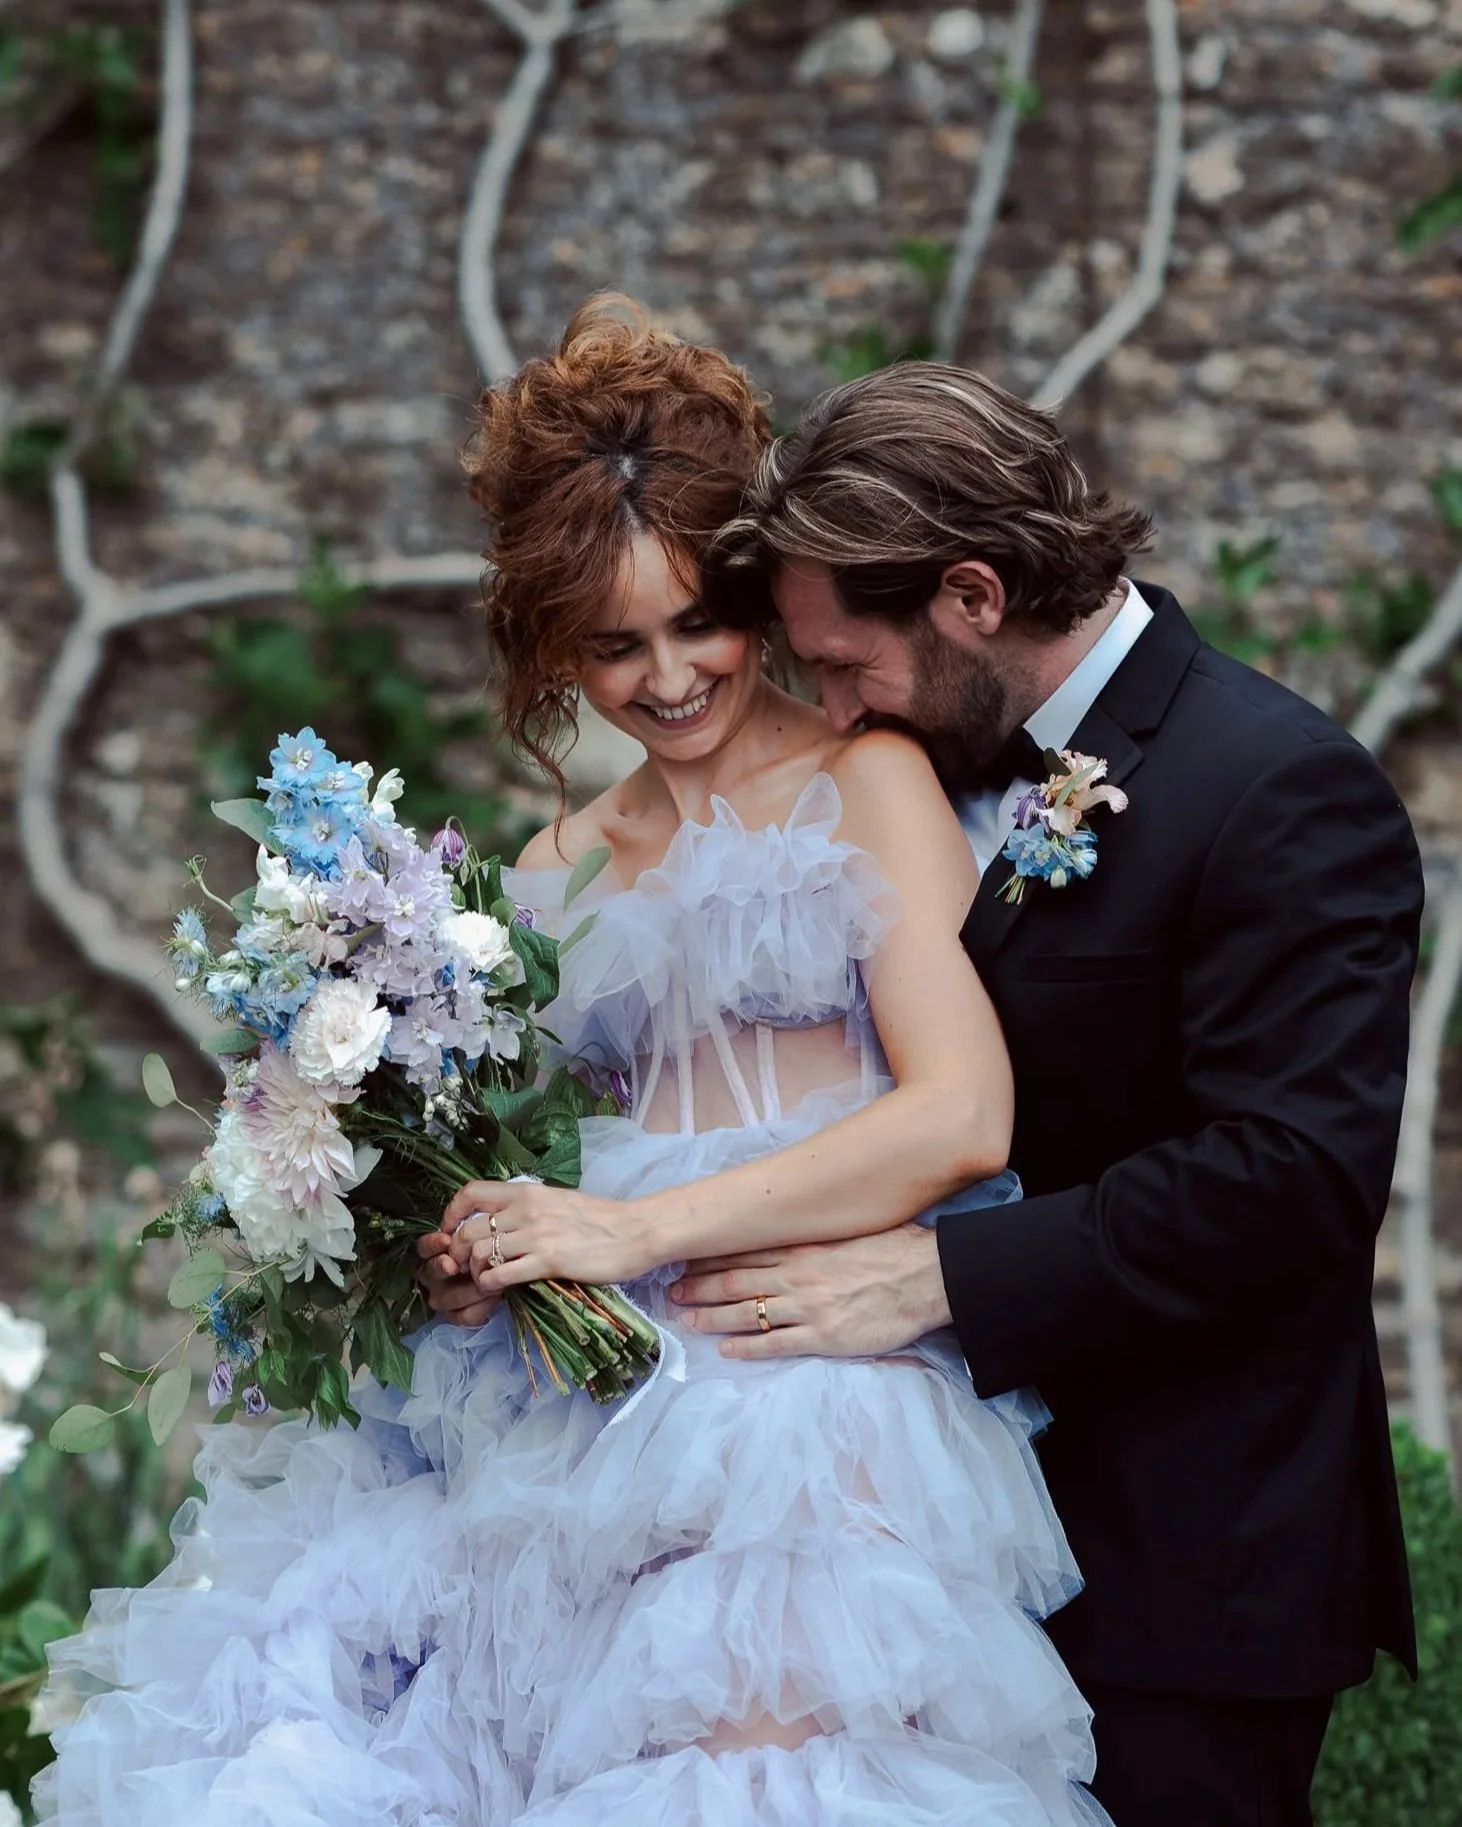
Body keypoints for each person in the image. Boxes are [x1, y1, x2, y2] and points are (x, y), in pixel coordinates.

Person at [35, 301, 1111, 1827]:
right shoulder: (550, 869)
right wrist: (484, 1241)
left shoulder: (867, 779)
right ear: (555, 647)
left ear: (761, 599)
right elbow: (549, 1156)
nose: (669, 677)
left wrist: (637, 1227)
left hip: (799, 1385)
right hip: (573, 1421)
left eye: (701, 625)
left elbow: (959, 1115)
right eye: (615, 645)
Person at [646, 361, 1420, 1827]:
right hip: (938, 1558)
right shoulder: (931, 772)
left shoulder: (1275, 787)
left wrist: (932, 1277)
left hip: (1178, 1574)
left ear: (973, 597)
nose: (825, 702)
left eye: (844, 662)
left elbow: (1291, 1176)